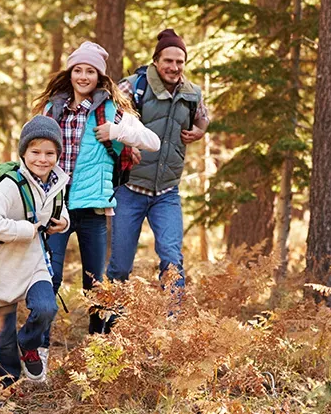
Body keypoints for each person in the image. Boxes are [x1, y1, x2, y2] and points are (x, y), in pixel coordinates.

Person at [35, 41, 160, 337]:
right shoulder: (52, 109)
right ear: (70, 73)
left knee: (94, 286)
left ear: (99, 77)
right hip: (55, 208)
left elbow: (153, 141)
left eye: (90, 71)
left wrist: (117, 132)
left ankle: (96, 348)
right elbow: (32, 149)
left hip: (92, 208)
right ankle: (39, 346)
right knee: (49, 279)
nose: (83, 76)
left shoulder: (111, 112)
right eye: (78, 70)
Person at [107, 29, 209, 288]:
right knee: (120, 265)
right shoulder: (133, 86)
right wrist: (127, 144)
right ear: (156, 60)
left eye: (179, 62)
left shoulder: (192, 93)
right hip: (129, 189)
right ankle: (109, 324)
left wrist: (199, 131)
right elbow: (106, 120)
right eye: (168, 61)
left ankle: (170, 324)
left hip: (167, 192)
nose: (174, 67)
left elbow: (204, 117)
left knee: (173, 261)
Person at [0, 116, 69, 386]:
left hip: (33, 263)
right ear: (24, 153)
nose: (43, 159)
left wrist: (64, 222)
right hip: (0, 266)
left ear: (57, 155)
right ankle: (7, 390)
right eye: (35, 152)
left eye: (50, 153)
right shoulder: (9, 184)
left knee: (45, 308)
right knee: (3, 343)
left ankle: (27, 343)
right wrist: (25, 229)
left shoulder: (57, 182)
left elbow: (57, 209)